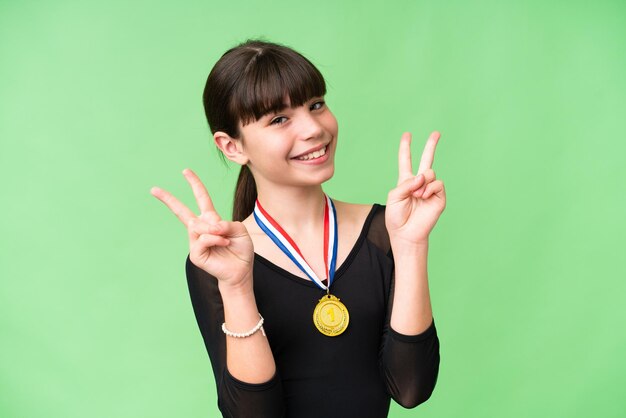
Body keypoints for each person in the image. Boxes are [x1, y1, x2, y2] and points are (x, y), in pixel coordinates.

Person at [150, 39, 445, 418]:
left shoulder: (385, 230)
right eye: (279, 119)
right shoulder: (218, 261)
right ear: (232, 147)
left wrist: (411, 247)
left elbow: (410, 388)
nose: (313, 128)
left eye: (316, 104)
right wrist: (237, 288)